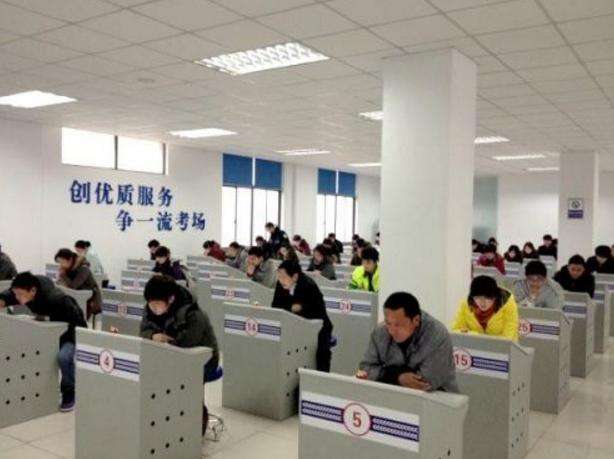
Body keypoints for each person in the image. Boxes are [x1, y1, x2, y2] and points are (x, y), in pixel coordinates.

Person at [139, 275, 219, 435]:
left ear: (171, 299)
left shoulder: (193, 313)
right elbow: (143, 331)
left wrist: (166, 343)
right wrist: (153, 336)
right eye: (150, 304)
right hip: (169, 357)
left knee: (186, 390)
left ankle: (196, 426)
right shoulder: (150, 308)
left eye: (157, 304)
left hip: (200, 360)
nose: (153, 308)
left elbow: (188, 343)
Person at [0, 272, 87, 411]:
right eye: (16, 294)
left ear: (33, 291)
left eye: (20, 294)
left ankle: (69, 392)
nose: (17, 298)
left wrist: (77, 339)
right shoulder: (25, 289)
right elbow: (10, 294)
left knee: (63, 358)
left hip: (71, 333)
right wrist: (3, 300)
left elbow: (77, 321)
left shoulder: (57, 299)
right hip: (48, 332)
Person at [356, 291, 458, 392]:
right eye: (388, 323)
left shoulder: (437, 335)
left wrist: (383, 374)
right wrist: (398, 377)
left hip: (439, 396)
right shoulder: (380, 332)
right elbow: (365, 369)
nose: (391, 331)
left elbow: (425, 383)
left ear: (416, 320)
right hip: (391, 394)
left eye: (398, 325)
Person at [272, 261, 333, 372]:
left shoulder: (308, 285)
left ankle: (321, 377)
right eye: (279, 277)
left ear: (295, 276)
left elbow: (317, 312)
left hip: (319, 326)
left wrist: (299, 308)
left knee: (321, 353)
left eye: (283, 277)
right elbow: (275, 306)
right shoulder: (280, 284)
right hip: (292, 325)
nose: (280, 280)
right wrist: (291, 308)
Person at [452, 276, 519, 341]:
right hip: (474, 347)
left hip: (503, 348)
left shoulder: (508, 303)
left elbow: (508, 338)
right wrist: (475, 335)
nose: (482, 303)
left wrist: (482, 340)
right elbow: (456, 331)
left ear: (495, 297)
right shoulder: (467, 304)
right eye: (478, 298)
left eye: (487, 298)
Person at [55, 248, 102, 319]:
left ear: (70, 260)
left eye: (62, 262)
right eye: (59, 263)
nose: (61, 265)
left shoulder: (84, 269)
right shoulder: (67, 269)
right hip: (76, 298)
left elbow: (73, 287)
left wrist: (63, 275)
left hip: (89, 300)